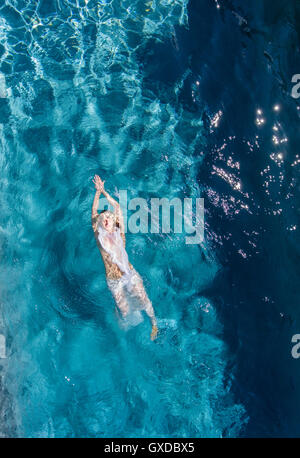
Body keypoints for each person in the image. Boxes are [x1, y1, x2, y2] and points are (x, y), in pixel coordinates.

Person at [91, 175, 158, 340]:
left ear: (114, 221)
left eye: (109, 217)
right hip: (113, 279)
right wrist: (97, 194)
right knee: (125, 311)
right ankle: (118, 315)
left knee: (144, 300)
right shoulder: (99, 237)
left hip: (129, 273)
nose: (106, 219)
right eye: (104, 218)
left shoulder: (120, 233)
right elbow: (93, 213)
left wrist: (104, 192)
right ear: (100, 222)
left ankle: (154, 324)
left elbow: (118, 208)